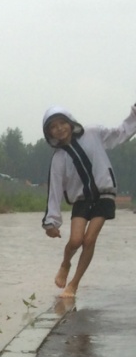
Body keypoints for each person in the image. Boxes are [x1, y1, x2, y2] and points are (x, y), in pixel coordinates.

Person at [41, 104, 136, 297]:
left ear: (70, 122)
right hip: (81, 200)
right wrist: (51, 222)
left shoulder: (93, 133)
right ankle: (65, 264)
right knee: (75, 240)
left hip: (104, 194)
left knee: (90, 239)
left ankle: (73, 285)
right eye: (53, 126)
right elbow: (55, 190)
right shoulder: (58, 159)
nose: (59, 128)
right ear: (49, 133)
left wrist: (134, 116)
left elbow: (119, 133)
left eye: (62, 123)